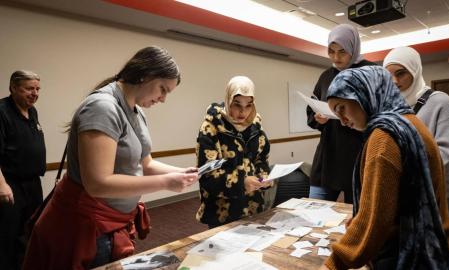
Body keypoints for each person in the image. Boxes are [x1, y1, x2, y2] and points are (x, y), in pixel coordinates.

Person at [23, 46, 199, 270]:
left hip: (110, 222)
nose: (162, 99)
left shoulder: (136, 110)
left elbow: (146, 163)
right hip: (86, 224)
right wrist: (166, 182)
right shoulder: (103, 107)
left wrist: (179, 172)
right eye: (162, 89)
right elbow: (98, 183)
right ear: (145, 75)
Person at [320, 66, 449, 269]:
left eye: (341, 108)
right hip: (439, 249)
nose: (342, 121)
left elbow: (376, 220)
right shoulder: (409, 122)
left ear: (365, 94)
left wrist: (334, 263)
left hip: (415, 260)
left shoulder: (384, 138)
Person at [383, 46, 449, 239]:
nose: (394, 81)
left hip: (438, 191)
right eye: (389, 76)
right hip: (406, 192)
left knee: (446, 250)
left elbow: (444, 151)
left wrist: (403, 165)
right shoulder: (390, 105)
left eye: (401, 74)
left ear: (415, 70)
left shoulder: (439, 101)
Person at [306, 24, 376, 203]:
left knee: (357, 220)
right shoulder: (326, 76)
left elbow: (383, 111)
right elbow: (311, 108)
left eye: (342, 51)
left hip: (359, 154)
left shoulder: (371, 72)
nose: (336, 57)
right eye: (331, 51)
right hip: (328, 156)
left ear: (353, 48)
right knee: (316, 214)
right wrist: (318, 119)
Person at [195, 76, 271, 228]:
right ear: (228, 100)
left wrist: (263, 177)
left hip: (253, 205)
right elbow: (207, 175)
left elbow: (261, 160)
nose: (243, 112)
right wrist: (242, 183)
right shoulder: (212, 127)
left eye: (249, 105)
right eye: (237, 105)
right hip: (222, 211)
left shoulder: (256, 127)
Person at [0, 70, 45, 270]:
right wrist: (2, 185)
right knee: (8, 235)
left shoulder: (32, 111)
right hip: (10, 184)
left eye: (37, 89)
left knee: (31, 230)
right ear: (13, 88)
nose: (35, 93)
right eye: (29, 88)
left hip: (32, 183)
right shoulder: (2, 111)